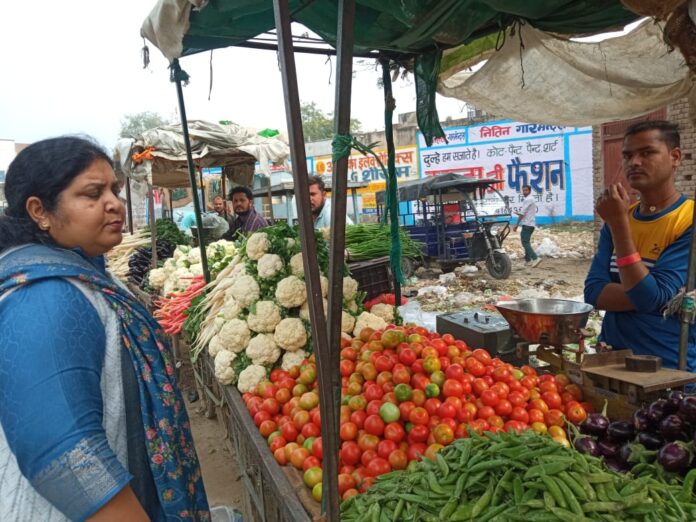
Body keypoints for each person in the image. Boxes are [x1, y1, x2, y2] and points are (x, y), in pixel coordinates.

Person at [0, 137, 210, 521]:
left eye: (114, 189)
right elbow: (64, 453)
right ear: (39, 211)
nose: (115, 202)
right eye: (92, 194)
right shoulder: (44, 297)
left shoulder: (81, 275)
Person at [584, 120, 695, 370]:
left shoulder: (688, 220)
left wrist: (619, 226)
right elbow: (593, 292)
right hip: (613, 361)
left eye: (647, 153)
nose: (634, 162)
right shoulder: (619, 215)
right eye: (628, 155)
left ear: (675, 157)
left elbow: (649, 297)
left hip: (669, 369)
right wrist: (652, 296)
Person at [513, 184, 541, 267]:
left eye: (526, 190)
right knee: (526, 242)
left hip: (527, 224)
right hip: (530, 224)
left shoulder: (528, 199)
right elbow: (525, 213)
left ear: (529, 191)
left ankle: (535, 258)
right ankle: (528, 260)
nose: (524, 192)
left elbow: (522, 214)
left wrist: (516, 225)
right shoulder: (530, 199)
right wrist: (519, 213)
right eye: (523, 190)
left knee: (525, 242)